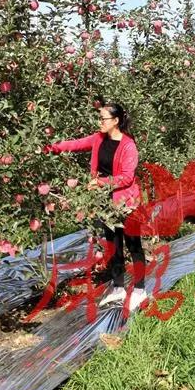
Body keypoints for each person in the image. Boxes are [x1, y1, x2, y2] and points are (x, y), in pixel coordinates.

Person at [43, 102, 148, 311]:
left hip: (127, 204)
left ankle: (140, 289)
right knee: (113, 245)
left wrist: (99, 182)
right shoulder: (99, 139)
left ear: (115, 121)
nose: (100, 122)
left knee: (133, 245)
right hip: (105, 203)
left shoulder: (128, 146)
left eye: (103, 119)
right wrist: (49, 147)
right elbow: (75, 144)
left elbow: (127, 178)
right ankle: (118, 287)